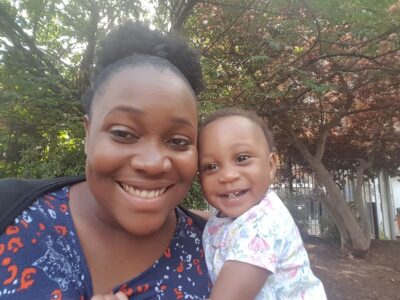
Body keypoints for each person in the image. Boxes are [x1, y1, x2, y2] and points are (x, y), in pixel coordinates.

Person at [0, 22, 211, 299]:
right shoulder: (11, 212)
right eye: (123, 133)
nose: (152, 163)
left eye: (179, 141)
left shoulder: (223, 250)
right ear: (88, 133)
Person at [198, 108, 327, 300]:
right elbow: (220, 226)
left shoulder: (263, 227)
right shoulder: (241, 213)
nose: (227, 176)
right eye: (211, 167)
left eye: (242, 158)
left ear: (271, 166)